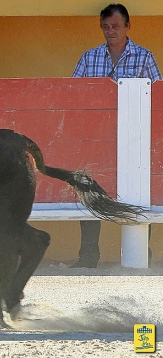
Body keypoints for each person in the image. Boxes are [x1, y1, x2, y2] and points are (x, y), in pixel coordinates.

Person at [71, 3, 159, 268]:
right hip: (96, 138)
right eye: (105, 27)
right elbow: (73, 95)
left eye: (115, 26)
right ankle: (88, 256)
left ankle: (141, 253)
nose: (110, 31)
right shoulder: (89, 57)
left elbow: (157, 98)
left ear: (128, 26)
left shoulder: (144, 57)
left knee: (139, 194)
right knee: (89, 190)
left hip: (135, 139)